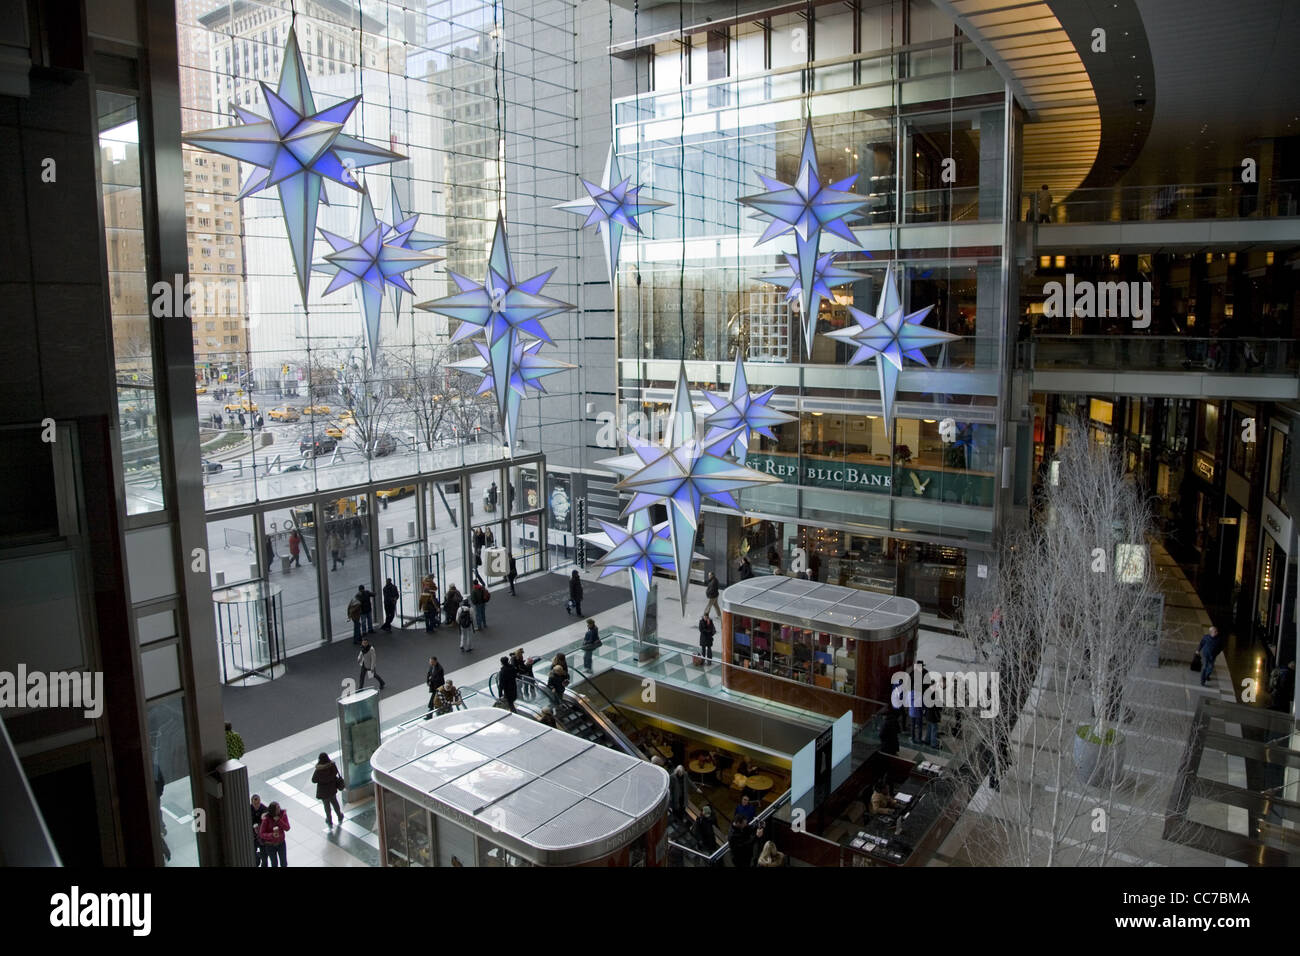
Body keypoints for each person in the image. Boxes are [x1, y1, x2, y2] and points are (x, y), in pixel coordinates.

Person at [310, 753, 345, 829]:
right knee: (335, 803)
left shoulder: (318, 770)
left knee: (326, 806)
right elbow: (336, 772)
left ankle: (329, 820)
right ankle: (339, 815)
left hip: (323, 792)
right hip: (332, 789)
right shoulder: (332, 766)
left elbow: (313, 780)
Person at [258, 801, 291, 867]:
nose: (279, 809)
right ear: (273, 810)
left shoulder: (283, 815)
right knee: (274, 863)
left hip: (281, 843)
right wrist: (272, 835)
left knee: (284, 862)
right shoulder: (266, 819)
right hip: (270, 845)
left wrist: (279, 821)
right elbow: (261, 833)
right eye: (277, 808)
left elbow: (287, 828)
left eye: (279, 807)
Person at [250, 793, 267, 866]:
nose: (257, 805)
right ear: (252, 802)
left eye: (258, 803)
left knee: (264, 857)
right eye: (255, 803)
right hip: (253, 837)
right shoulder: (249, 809)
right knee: (252, 854)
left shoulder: (264, 809)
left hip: (262, 836)